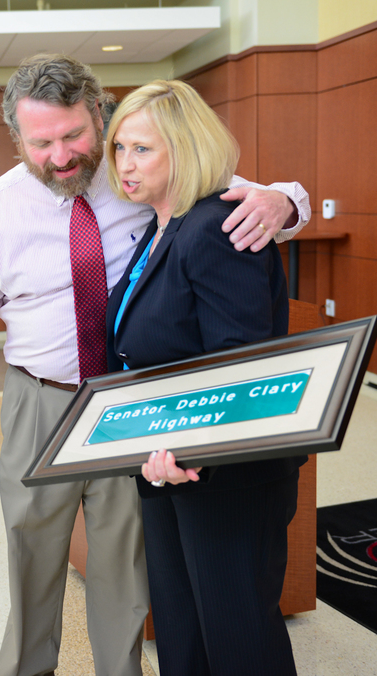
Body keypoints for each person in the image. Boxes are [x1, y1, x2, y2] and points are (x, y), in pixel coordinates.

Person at [0, 53, 310, 676]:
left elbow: (244, 198)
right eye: (41, 143)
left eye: (74, 136)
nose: (60, 156)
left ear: (98, 115)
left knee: (125, 563)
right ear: (17, 138)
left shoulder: (139, 167)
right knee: (31, 553)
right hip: (40, 397)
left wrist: (285, 202)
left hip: (129, 399)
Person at [106, 79, 303, 676]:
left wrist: (193, 455)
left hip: (223, 473)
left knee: (238, 637)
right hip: (167, 461)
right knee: (182, 628)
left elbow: (239, 365)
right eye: (119, 148)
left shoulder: (218, 227)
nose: (125, 164)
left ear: (186, 148)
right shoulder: (160, 227)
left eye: (142, 149)